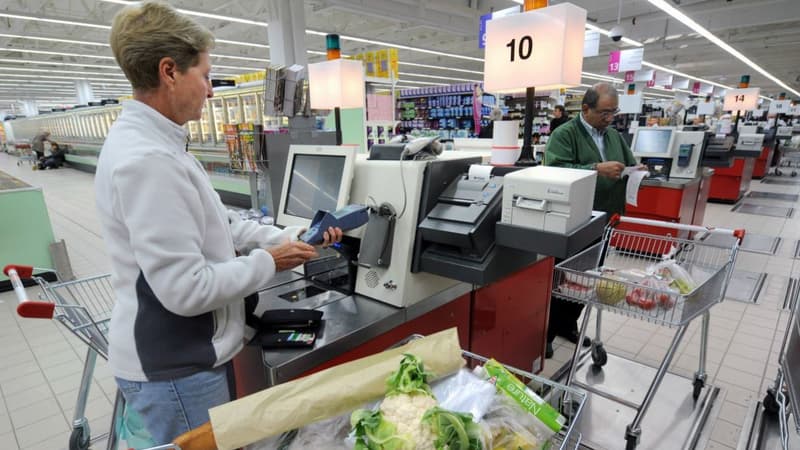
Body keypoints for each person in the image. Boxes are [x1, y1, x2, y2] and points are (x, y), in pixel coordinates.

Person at [95, 2, 342, 444]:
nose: (211, 91)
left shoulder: (159, 143)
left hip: (183, 359)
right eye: (206, 75)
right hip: (175, 369)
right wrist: (271, 261)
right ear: (169, 71)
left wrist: (288, 238)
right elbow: (186, 289)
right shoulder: (147, 160)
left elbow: (218, 224)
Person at [543, 82, 641, 358]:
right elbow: (554, 170)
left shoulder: (614, 136)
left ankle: (567, 325)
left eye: (614, 112)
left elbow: (628, 161)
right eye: (604, 112)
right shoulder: (564, 134)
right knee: (562, 278)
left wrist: (636, 170)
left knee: (588, 278)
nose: (610, 118)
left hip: (606, 217)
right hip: (575, 220)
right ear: (585, 109)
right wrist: (595, 168)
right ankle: (547, 331)